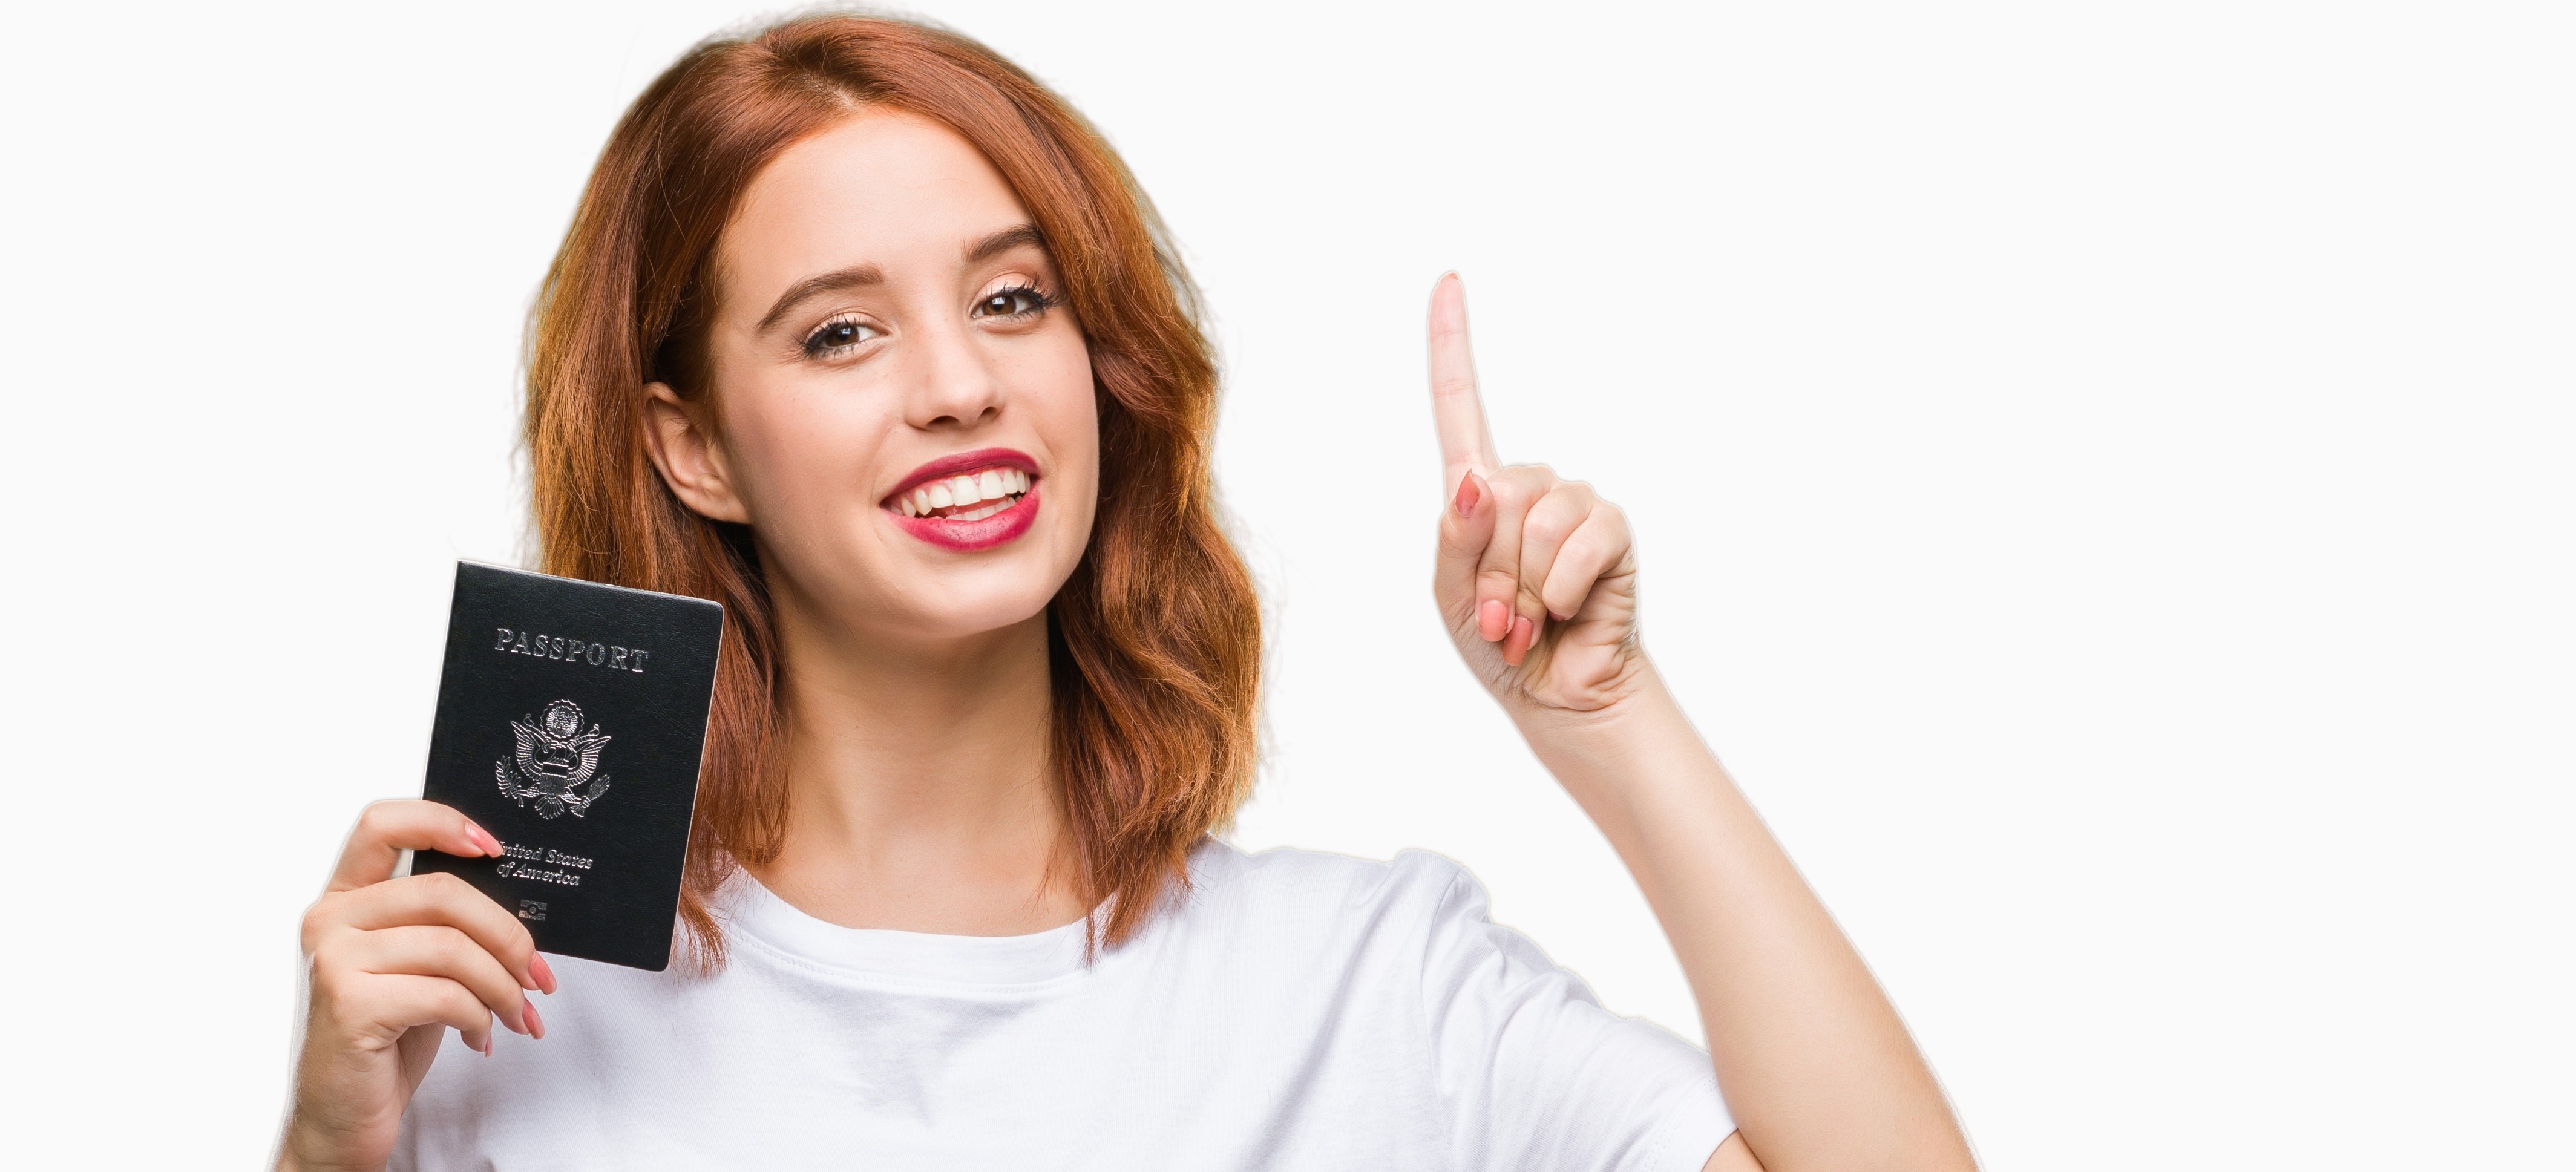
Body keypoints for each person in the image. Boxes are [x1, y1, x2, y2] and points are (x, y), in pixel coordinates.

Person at [277, 15, 1973, 1171]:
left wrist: (1606, 720)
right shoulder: (506, 1003)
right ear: (694, 445)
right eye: (842, 331)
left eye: (1015, 300)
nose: (958, 384)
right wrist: (325, 1146)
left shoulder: (1365, 984)